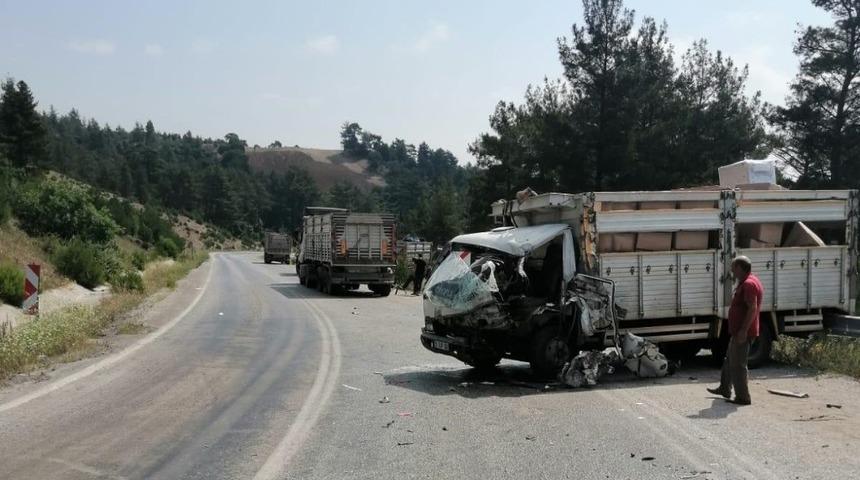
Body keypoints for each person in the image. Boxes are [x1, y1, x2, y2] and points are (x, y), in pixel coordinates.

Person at [707, 255, 763, 406]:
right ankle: (724, 388)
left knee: (738, 365)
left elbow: (752, 308)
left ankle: (743, 397)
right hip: (738, 331)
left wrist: (744, 330)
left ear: (740, 268)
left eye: (733, 267)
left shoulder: (749, 284)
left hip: (743, 333)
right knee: (729, 360)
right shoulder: (746, 281)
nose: (731, 271)